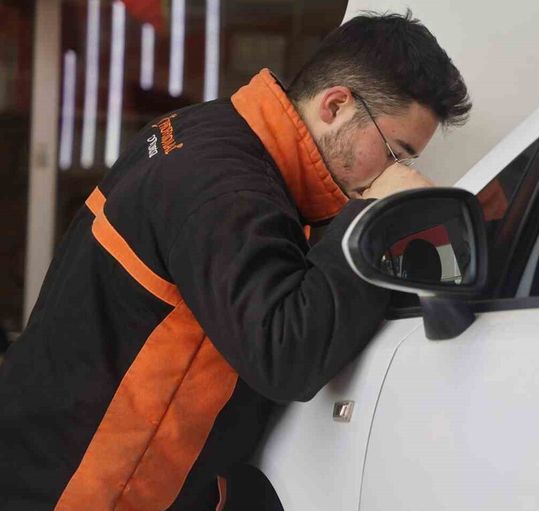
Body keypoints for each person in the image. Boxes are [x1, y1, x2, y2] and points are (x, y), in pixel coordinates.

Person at [0, 11, 470, 510]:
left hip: (43, 452)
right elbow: (287, 357)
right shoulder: (228, 190)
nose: (397, 173)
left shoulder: (209, 132)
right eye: (396, 154)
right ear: (335, 106)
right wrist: (375, 217)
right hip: (79, 491)